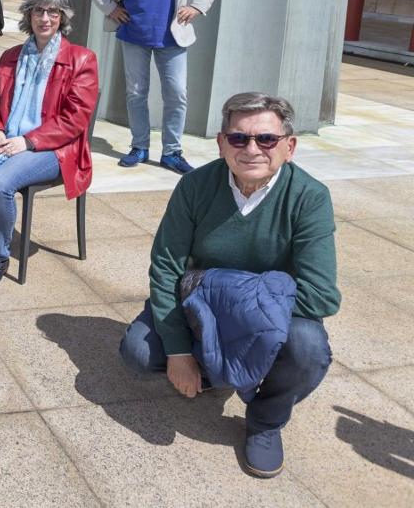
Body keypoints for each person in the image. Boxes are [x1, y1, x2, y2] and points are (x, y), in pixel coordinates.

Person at [119, 92, 338, 479]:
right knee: (138, 351)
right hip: (198, 307)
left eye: (266, 139)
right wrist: (179, 352)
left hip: (262, 313)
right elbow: (166, 266)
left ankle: (265, 420)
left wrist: (233, 298)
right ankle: (220, 369)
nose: (252, 149)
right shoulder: (195, 186)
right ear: (221, 143)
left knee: (307, 348)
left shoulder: (310, 197)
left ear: (289, 146)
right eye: (239, 138)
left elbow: (321, 294)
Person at [0, 0, 98, 289]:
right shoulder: (11, 56)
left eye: (53, 11)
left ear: (62, 16)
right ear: (28, 15)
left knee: (0, 185)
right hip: (5, 136)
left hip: (53, 148)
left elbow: (74, 120)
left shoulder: (82, 59)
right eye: (38, 10)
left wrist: (28, 142)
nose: (45, 18)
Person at [83, 0, 224, 175]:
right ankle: (140, 146)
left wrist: (198, 6)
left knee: (177, 94)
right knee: (136, 93)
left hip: (172, 34)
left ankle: (172, 152)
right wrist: (109, 7)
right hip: (134, 32)